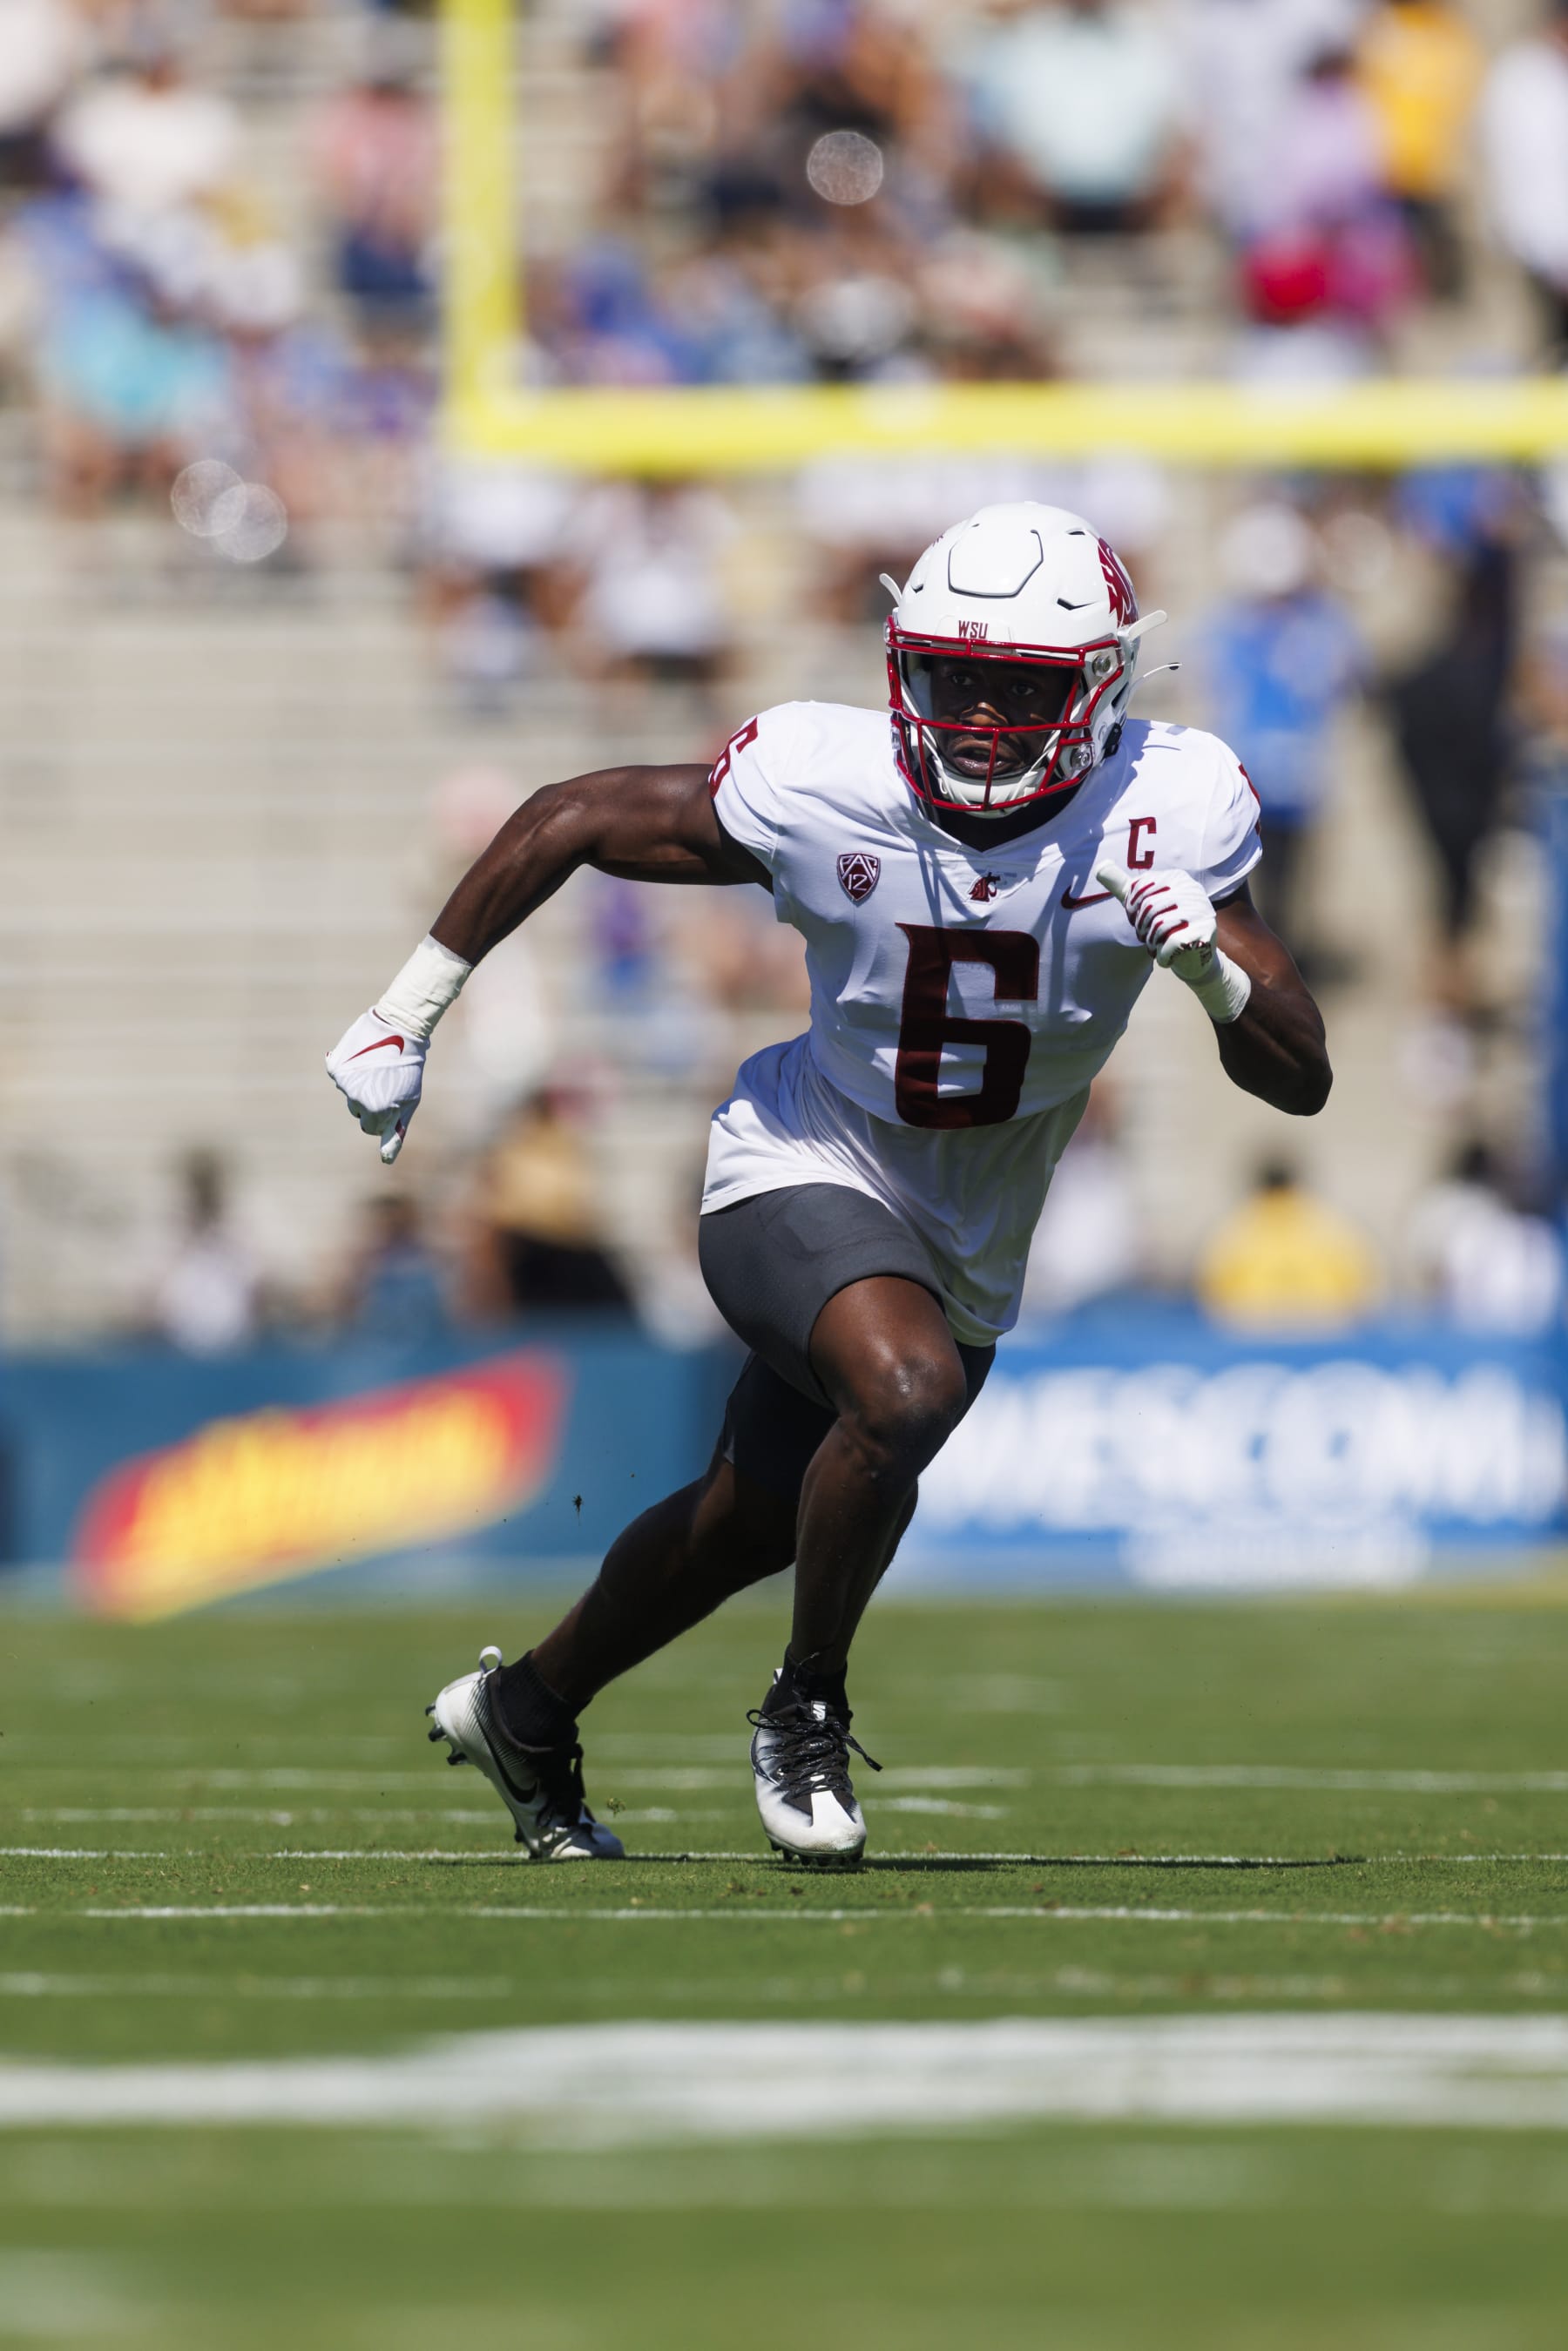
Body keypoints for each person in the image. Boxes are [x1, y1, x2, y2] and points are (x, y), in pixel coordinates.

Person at [327, 500, 1330, 1866]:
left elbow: (1301, 1075)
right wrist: (408, 1008)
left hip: (977, 1221)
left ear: (1098, 693)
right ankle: (805, 1704)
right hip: (802, 1151)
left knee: (749, 1517)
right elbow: (570, 814)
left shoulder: (1169, 800)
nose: (977, 717)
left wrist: (1211, 970)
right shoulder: (823, 776)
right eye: (953, 676)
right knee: (900, 1391)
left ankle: (526, 1707)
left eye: (1016, 687)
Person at [1197, 1158, 1379, 1329]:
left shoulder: (1235, 1228)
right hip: (1322, 1321)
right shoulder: (1331, 1224)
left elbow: (1211, 1287)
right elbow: (1363, 1283)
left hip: (1253, 1322)